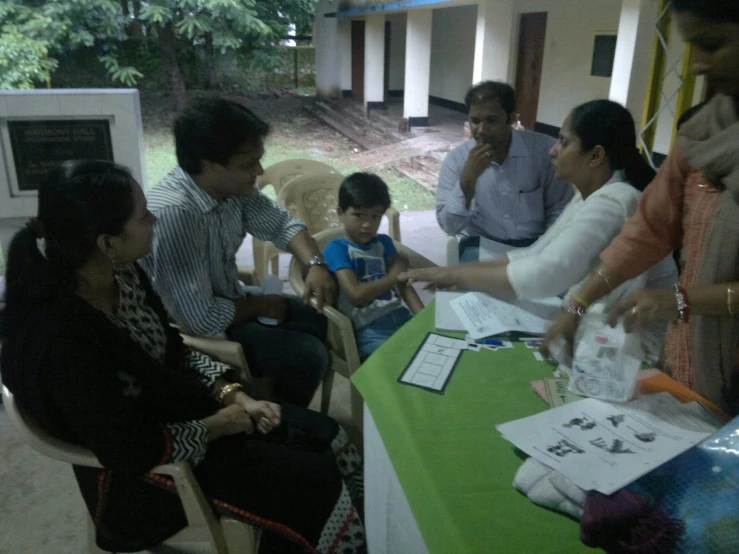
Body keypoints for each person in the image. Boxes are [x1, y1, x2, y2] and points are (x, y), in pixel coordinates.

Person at [0, 160, 365, 554]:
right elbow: (129, 447)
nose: (153, 219)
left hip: (184, 415)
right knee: (311, 480)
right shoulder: (62, 341)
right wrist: (219, 426)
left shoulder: (122, 274)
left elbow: (174, 352)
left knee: (331, 435)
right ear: (107, 243)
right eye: (143, 216)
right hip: (143, 476)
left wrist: (234, 395)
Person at [543, 0, 739, 417]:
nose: (698, 66)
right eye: (692, 49)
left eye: (712, 45)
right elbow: (650, 229)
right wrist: (576, 306)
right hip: (693, 348)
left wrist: (682, 301)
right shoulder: (703, 131)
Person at [403, 100, 679, 361]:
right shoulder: (591, 194)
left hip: (630, 350)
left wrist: (453, 273)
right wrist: (457, 273)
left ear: (596, 156)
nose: (553, 151)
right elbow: (536, 252)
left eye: (564, 142)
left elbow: (547, 271)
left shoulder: (616, 199)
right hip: (590, 322)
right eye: (475, 121)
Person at [140, 97, 336, 408]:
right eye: (247, 164)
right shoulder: (177, 214)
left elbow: (281, 224)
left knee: (321, 320)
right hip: (191, 330)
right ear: (208, 164)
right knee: (308, 355)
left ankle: (274, 401)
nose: (258, 171)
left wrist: (315, 264)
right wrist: (261, 305)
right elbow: (198, 318)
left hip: (228, 298)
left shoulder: (231, 190)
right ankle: (277, 422)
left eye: (259, 159)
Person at [435, 81, 574, 262]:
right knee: (475, 290)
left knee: (555, 289)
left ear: (511, 119)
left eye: (491, 120)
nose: (481, 130)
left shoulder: (543, 152)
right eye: (475, 121)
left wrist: (544, 251)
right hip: (481, 246)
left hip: (536, 246)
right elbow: (449, 226)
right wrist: (467, 181)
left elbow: (560, 208)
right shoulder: (457, 160)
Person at [324, 173, 424, 359]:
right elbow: (356, 296)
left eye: (376, 216)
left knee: (434, 350)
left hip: (401, 317)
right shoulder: (337, 249)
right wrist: (392, 277)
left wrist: (424, 319)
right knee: (396, 365)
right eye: (358, 215)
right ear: (340, 213)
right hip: (368, 331)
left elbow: (403, 285)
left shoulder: (384, 243)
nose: (367, 225)